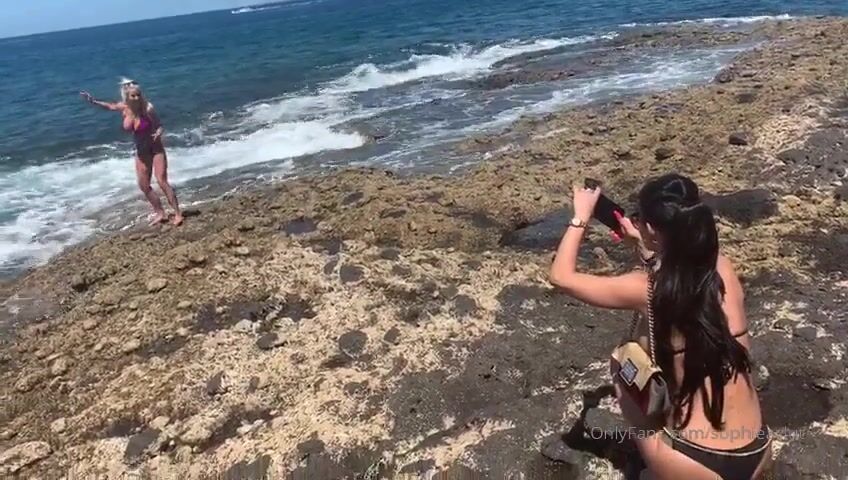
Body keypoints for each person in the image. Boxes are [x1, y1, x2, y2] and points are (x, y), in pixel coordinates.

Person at [549, 173, 771, 479]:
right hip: (757, 448)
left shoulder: (647, 288)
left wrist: (581, 217)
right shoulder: (722, 266)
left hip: (697, 461)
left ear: (652, 228)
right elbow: (677, 270)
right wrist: (644, 241)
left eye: (640, 219)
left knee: (624, 363)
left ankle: (656, 457)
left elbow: (561, 277)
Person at [80, 79, 184, 226]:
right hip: (141, 151)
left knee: (161, 180)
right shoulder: (125, 108)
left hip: (156, 149)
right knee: (144, 185)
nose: (136, 98)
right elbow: (109, 106)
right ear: (127, 97)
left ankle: (178, 213)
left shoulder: (147, 109)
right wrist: (92, 101)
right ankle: (160, 212)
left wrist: (158, 133)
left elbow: (160, 125)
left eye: (138, 95)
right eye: (133, 96)